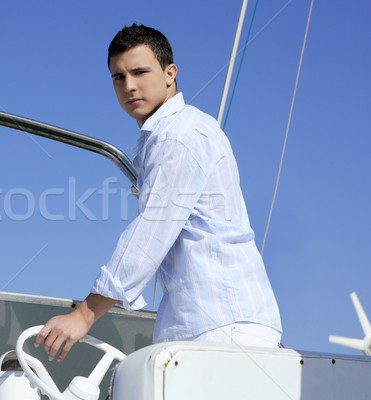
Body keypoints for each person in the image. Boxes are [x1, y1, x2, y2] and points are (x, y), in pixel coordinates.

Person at [35, 23, 282, 362]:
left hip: (224, 328)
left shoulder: (179, 136)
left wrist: (85, 314)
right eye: (118, 77)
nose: (129, 86)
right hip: (200, 326)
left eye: (139, 72)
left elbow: (152, 229)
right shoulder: (165, 137)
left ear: (170, 73)